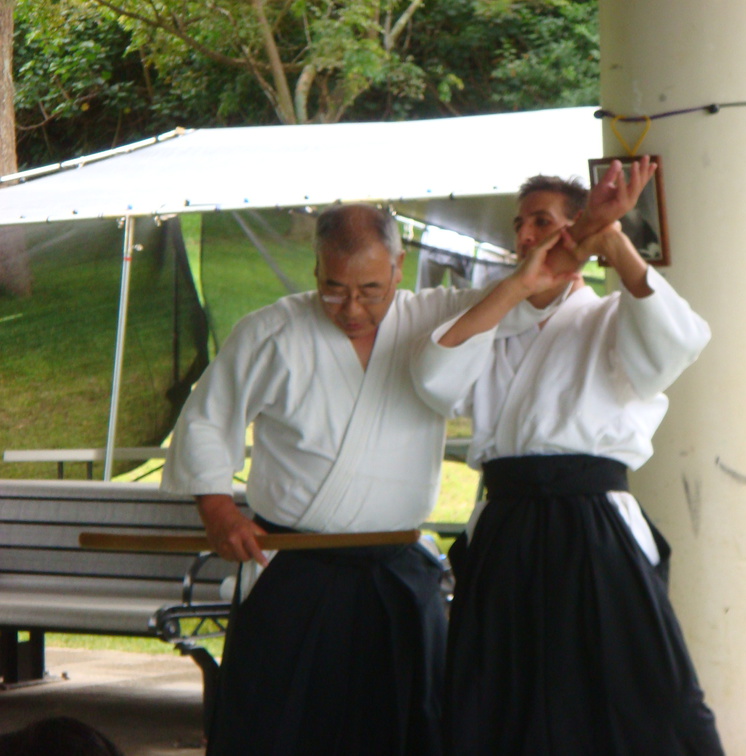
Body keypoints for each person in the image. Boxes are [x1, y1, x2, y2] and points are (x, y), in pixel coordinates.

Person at [160, 167, 648, 756]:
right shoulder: (272, 331)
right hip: (292, 569)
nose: (351, 307)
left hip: (397, 571)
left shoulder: (436, 315)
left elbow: (529, 294)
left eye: (370, 289)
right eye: (334, 288)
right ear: (315, 270)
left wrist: (590, 235)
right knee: (277, 727)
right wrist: (218, 511)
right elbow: (209, 418)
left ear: (399, 269)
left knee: (402, 732)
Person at [410, 172, 726, 755]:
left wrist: (611, 240)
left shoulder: (609, 315)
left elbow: (680, 341)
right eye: (521, 224)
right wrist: (513, 290)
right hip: (506, 521)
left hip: (593, 524)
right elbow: (433, 379)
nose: (527, 235)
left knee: (643, 692)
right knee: (499, 694)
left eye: (543, 222)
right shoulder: (495, 322)